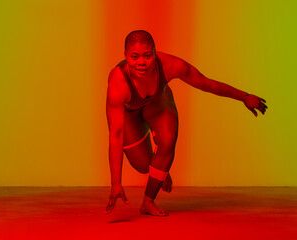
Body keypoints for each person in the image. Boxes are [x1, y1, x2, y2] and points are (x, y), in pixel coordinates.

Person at [105, 30, 267, 217]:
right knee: (143, 166)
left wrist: (244, 97)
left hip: (157, 102)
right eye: (134, 57)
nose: (141, 62)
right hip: (130, 114)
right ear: (125, 56)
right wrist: (116, 183)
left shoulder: (171, 65)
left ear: (155, 53)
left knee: (168, 139)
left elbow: (208, 84)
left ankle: (148, 202)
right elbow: (115, 135)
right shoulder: (118, 84)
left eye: (147, 56)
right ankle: (160, 167)